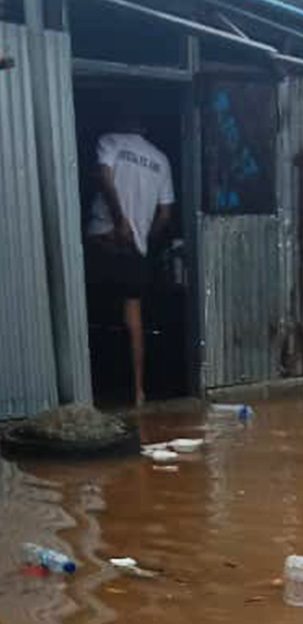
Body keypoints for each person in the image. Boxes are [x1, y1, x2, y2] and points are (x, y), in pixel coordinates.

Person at [85, 117, 173, 407]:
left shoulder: (109, 140)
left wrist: (120, 220)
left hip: (103, 240)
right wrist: (144, 236)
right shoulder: (160, 160)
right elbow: (165, 215)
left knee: (88, 313)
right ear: (144, 127)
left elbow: (103, 175)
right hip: (136, 250)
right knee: (133, 319)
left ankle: (87, 388)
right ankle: (137, 391)